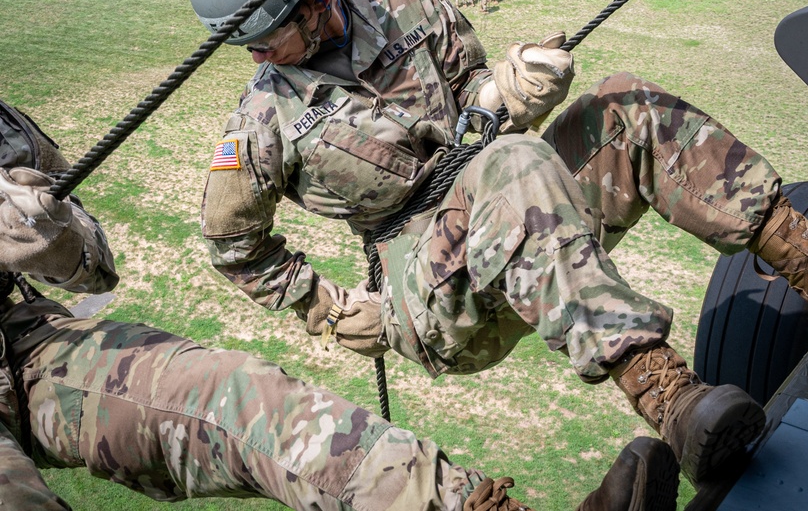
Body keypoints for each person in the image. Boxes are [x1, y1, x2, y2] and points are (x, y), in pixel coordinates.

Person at [187, 0, 808, 486]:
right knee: (509, 166)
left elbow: (472, 90)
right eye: (243, 40)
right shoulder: (262, 121)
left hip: (510, 204)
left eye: (268, 33)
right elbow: (229, 243)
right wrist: (329, 308)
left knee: (619, 106)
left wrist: (509, 85)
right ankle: (670, 400)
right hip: (428, 289)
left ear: (316, 0)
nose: (255, 52)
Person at [0, 101, 680, 510]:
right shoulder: (259, 117)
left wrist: (48, 233)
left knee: (251, 397)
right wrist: (316, 302)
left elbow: (94, 269)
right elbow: (229, 233)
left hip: (22, 341)